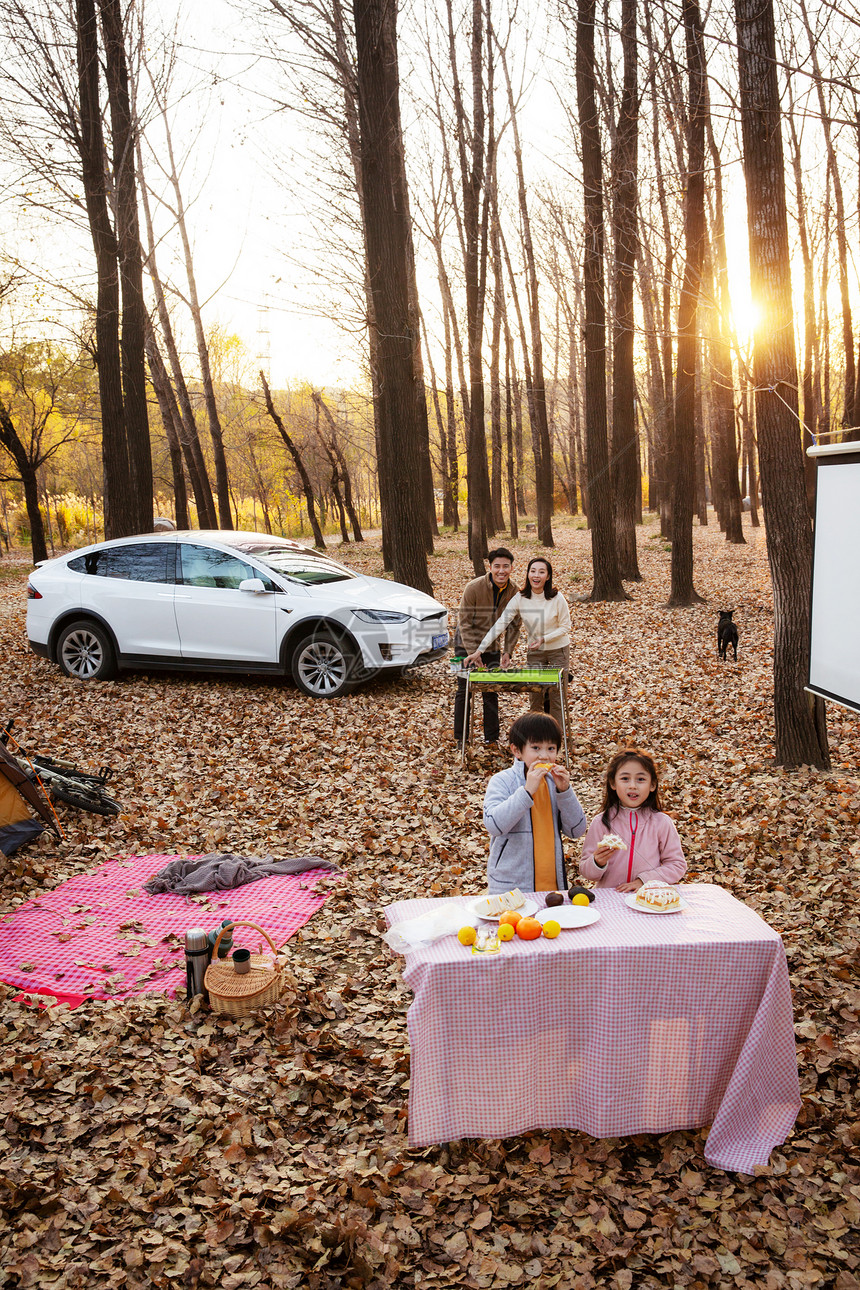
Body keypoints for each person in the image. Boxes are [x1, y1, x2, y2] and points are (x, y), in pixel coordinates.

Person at [464, 556, 571, 731]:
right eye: (533, 571)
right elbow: (500, 624)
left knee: (555, 697)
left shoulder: (557, 598)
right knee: (535, 696)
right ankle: (536, 738)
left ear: (548, 576)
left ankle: (556, 739)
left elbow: (566, 626)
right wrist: (479, 650)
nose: (536, 575)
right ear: (528, 574)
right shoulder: (520, 597)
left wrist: (544, 639)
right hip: (535, 653)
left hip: (558, 650)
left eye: (541, 572)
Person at [484, 713, 587, 893]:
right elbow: (494, 825)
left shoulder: (554, 782)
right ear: (517, 751)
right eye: (536, 748)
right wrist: (526, 791)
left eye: (551, 748)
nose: (544, 756)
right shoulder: (502, 781)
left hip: (552, 885)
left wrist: (565, 792)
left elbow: (576, 831)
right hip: (511, 887)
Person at [579, 749, 686, 893]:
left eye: (641, 779)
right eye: (625, 779)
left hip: (647, 897)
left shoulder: (661, 822)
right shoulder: (601, 822)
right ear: (613, 783)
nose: (632, 786)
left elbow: (677, 865)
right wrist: (597, 862)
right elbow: (586, 871)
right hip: (609, 898)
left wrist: (645, 880)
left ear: (652, 785)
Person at [454, 547, 520, 746]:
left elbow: (515, 624)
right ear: (490, 567)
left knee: (490, 691)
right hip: (463, 645)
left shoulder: (514, 591)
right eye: (497, 566)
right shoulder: (473, 588)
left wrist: (508, 650)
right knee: (463, 690)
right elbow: (464, 622)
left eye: (506, 566)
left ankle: (491, 737)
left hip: (491, 647)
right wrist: (473, 651)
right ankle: (461, 738)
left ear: (511, 568)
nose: (502, 571)